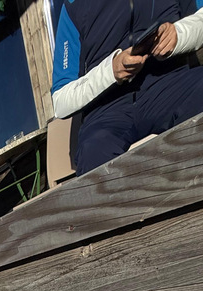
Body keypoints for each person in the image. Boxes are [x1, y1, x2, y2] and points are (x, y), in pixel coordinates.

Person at [51, 0, 203, 175]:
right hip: (107, 110)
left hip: (170, 83)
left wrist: (179, 34)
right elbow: (61, 100)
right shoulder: (72, 6)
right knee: (93, 152)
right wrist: (111, 70)